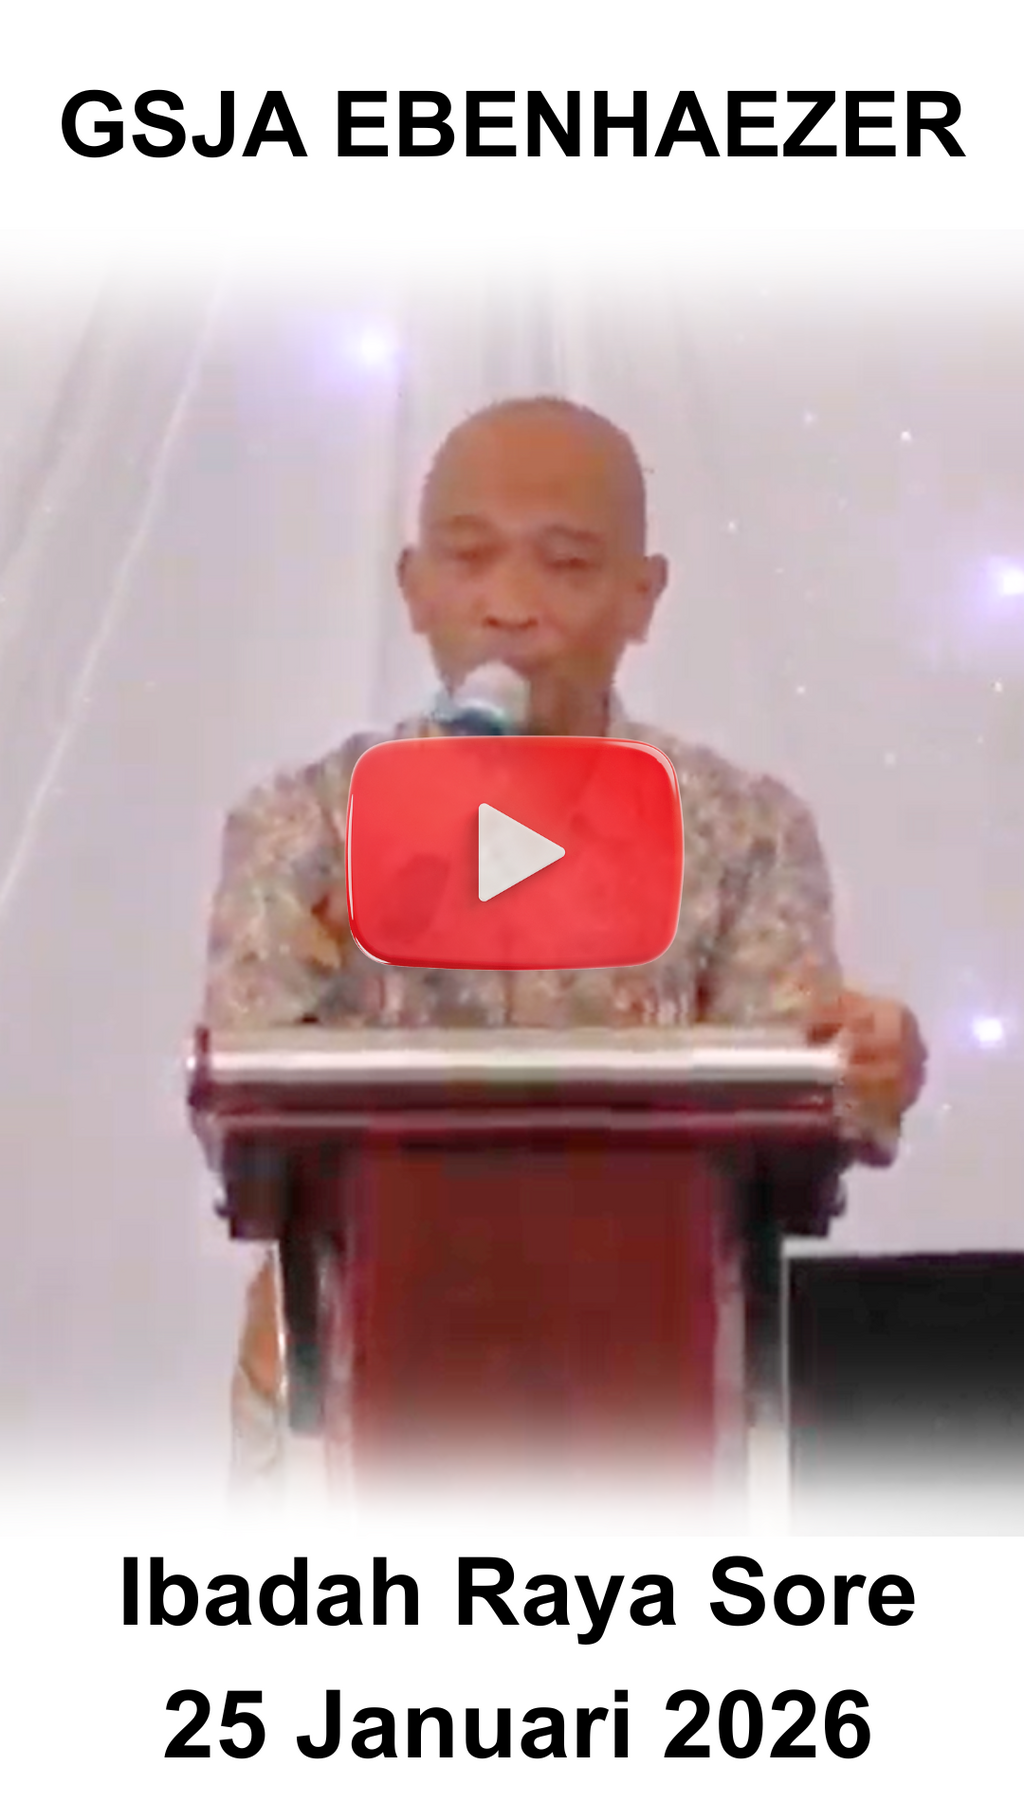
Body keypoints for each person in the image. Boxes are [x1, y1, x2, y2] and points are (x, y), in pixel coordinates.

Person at [201, 395, 928, 1475]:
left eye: (566, 565)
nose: (511, 606)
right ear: (413, 587)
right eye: (470, 558)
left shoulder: (744, 828)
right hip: (352, 1398)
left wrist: (862, 1066)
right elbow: (242, 1099)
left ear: (642, 596)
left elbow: (793, 1107)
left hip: (654, 1401)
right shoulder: (303, 821)